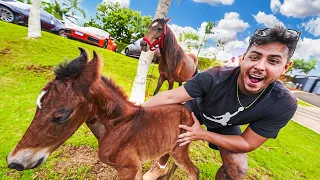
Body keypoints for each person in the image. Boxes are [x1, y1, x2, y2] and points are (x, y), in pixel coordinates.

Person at [142, 26, 301, 180]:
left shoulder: (283, 103)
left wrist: (202, 134)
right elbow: (170, 97)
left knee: (239, 168)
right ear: (243, 58)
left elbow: (247, 142)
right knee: (173, 127)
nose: (259, 67)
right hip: (197, 108)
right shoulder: (213, 76)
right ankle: (159, 167)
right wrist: (134, 110)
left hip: (226, 124)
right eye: (254, 57)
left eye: (273, 61)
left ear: (285, 67)